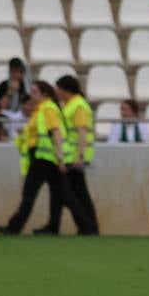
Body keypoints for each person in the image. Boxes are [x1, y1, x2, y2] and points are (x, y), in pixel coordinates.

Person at [0, 81, 90, 237]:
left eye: (35, 91)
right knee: (65, 195)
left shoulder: (47, 109)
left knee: (29, 194)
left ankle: (14, 227)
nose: (32, 95)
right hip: (47, 159)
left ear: (44, 93)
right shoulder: (42, 110)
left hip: (43, 159)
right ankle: (86, 227)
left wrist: (60, 159)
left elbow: (56, 134)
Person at [54, 75, 99, 236]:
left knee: (77, 194)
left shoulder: (78, 106)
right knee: (78, 194)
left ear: (66, 90)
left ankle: (89, 227)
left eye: (58, 89)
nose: (57, 93)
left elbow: (82, 131)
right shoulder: (71, 105)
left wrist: (80, 156)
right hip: (71, 156)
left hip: (74, 157)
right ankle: (88, 227)